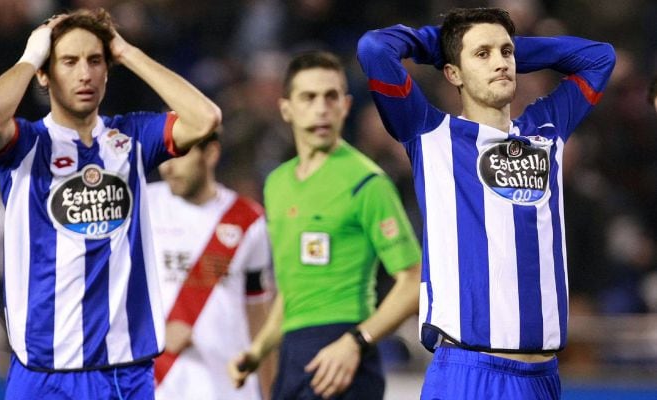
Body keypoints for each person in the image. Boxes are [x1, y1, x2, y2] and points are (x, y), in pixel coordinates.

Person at [357, 7, 615, 399]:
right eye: (483, 55)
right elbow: (375, 48)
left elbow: (600, 57)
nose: (501, 63)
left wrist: (496, 49)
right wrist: (443, 45)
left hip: (543, 377)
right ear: (453, 73)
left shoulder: (547, 129)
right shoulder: (429, 133)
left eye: (507, 53)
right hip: (469, 372)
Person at [0, 8, 221, 400]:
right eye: (69, 62)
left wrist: (126, 51)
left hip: (122, 372)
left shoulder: (133, 136)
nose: (85, 73)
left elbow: (205, 118)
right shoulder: (25, 146)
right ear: (45, 75)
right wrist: (30, 55)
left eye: (95, 60)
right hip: (42, 371)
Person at [228, 51, 422, 400]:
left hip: (346, 356)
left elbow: (413, 281)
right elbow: (291, 289)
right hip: (292, 354)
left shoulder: (368, 182)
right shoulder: (276, 183)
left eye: (331, 96)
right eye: (308, 97)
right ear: (286, 108)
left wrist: (356, 341)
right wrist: (258, 350)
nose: (321, 108)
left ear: (346, 105)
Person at [146, 133, 275, 400]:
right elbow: (106, 291)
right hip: (157, 386)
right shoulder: (142, 206)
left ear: (211, 154)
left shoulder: (248, 220)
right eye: (163, 156)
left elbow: (258, 314)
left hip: (226, 387)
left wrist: (271, 390)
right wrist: (155, 330)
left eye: (179, 154)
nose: (167, 166)